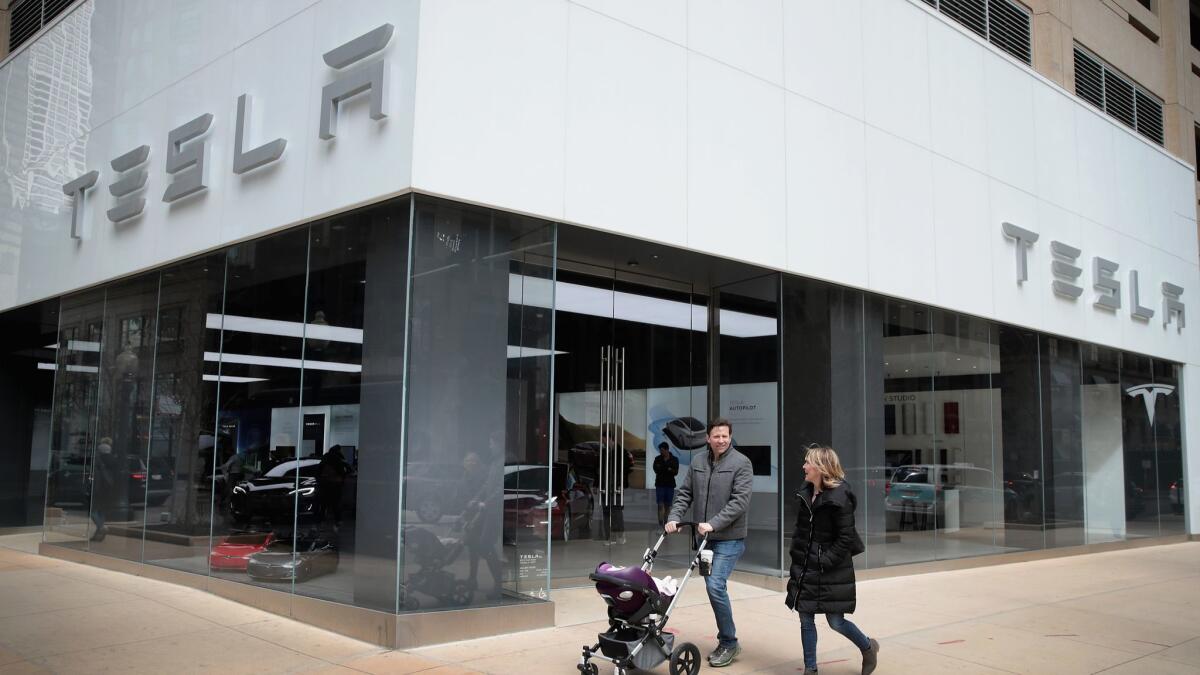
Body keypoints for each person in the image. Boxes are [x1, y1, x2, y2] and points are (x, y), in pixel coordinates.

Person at [665, 417, 752, 668]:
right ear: (708, 438)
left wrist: (714, 523)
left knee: (715, 586)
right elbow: (685, 494)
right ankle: (728, 637)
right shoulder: (698, 462)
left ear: (730, 436)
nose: (721, 440)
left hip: (729, 538)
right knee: (712, 587)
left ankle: (729, 642)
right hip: (703, 540)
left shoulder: (741, 463)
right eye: (717, 436)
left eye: (725, 436)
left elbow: (740, 501)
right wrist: (674, 518)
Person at [785, 445, 879, 675]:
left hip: (830, 568)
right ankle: (811, 669)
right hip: (806, 565)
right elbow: (801, 529)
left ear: (821, 468)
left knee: (835, 621)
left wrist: (823, 561)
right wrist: (797, 554)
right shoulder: (806, 492)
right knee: (806, 619)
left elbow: (845, 539)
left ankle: (868, 647)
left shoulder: (839, 497)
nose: (804, 466)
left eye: (808, 463)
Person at [89, 438, 118, 542]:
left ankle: (101, 527)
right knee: (102, 511)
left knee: (93, 512)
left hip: (98, 488)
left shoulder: (97, 460)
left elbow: (94, 475)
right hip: (109, 489)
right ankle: (98, 535)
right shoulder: (114, 460)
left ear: (100, 449)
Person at [652, 442, 679, 526]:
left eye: (662, 450)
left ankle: (666, 523)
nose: (661, 452)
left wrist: (665, 469)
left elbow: (675, 472)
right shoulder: (657, 459)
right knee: (660, 505)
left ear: (667, 450)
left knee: (667, 505)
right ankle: (660, 524)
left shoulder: (674, 459)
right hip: (660, 485)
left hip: (669, 485)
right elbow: (656, 469)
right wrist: (668, 469)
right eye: (660, 451)